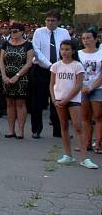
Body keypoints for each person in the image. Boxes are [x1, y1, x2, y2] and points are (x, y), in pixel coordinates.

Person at [51, 39, 97, 169]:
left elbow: (78, 85)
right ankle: (67, 155)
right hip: (59, 99)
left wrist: (67, 99)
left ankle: (84, 158)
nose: (65, 52)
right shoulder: (56, 66)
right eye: (62, 49)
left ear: (73, 51)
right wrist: (54, 99)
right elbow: (51, 84)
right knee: (63, 126)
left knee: (78, 127)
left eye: (67, 49)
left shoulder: (77, 65)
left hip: (73, 100)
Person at [30, 10, 72, 138]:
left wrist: (60, 65)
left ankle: (58, 130)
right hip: (42, 69)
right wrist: (49, 65)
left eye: (53, 20)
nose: (49, 23)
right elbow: (36, 50)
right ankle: (36, 130)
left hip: (59, 70)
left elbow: (67, 49)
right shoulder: (39, 32)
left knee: (57, 100)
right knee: (37, 102)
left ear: (58, 22)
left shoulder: (64, 33)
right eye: (47, 20)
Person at [0, 23, 34, 139]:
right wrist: (4, 76)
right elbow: (1, 61)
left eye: (15, 31)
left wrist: (17, 76)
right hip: (7, 77)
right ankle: (11, 130)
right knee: (9, 103)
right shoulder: (5, 44)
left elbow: (29, 63)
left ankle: (20, 130)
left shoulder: (28, 45)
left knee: (20, 103)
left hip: (21, 77)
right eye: (11, 31)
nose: (13, 34)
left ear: (22, 32)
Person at [78, 28, 102, 154]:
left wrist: (92, 87)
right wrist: (81, 87)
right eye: (83, 38)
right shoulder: (78, 54)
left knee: (98, 116)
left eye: (89, 38)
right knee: (85, 117)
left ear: (95, 39)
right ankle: (86, 143)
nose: (86, 41)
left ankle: (98, 143)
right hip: (82, 89)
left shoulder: (100, 53)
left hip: (98, 88)